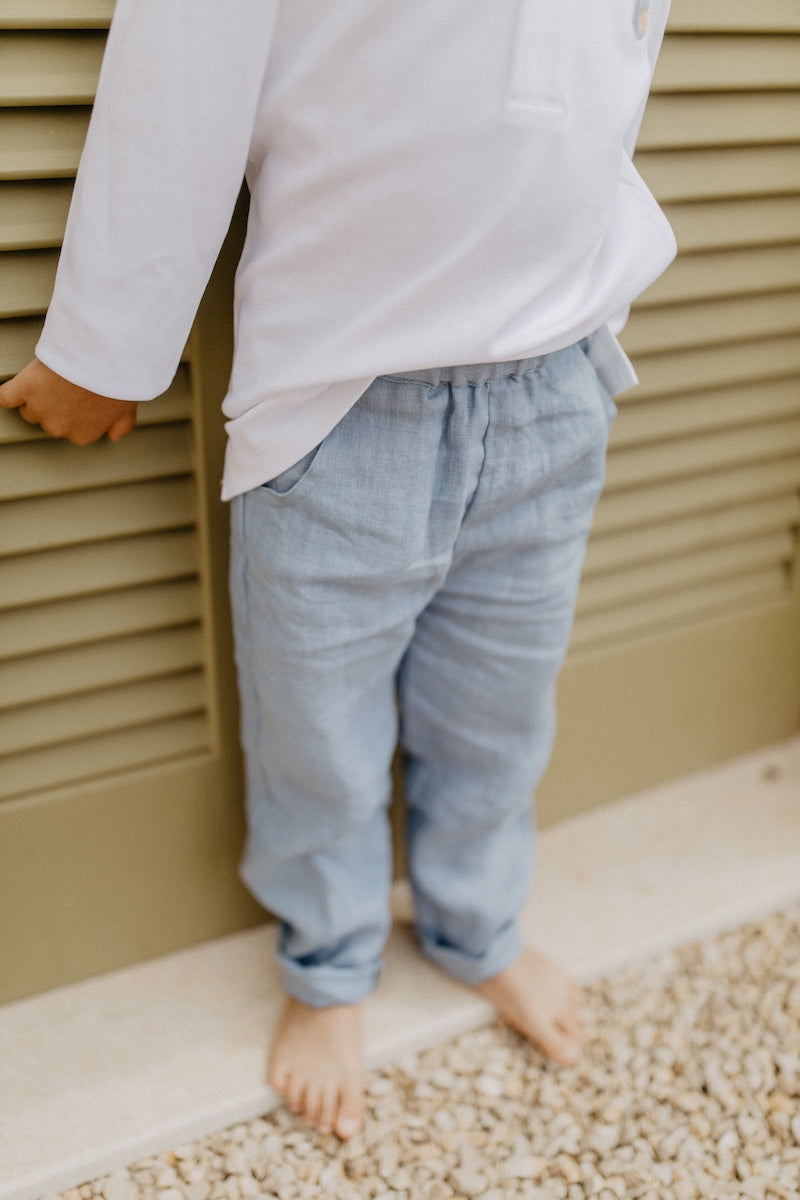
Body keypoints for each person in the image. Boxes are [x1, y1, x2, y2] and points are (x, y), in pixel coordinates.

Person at [0, 0, 676, 1141]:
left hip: (550, 381)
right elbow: (179, 78)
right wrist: (107, 346)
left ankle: (478, 926)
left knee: (497, 709)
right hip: (345, 396)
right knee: (316, 728)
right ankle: (329, 968)